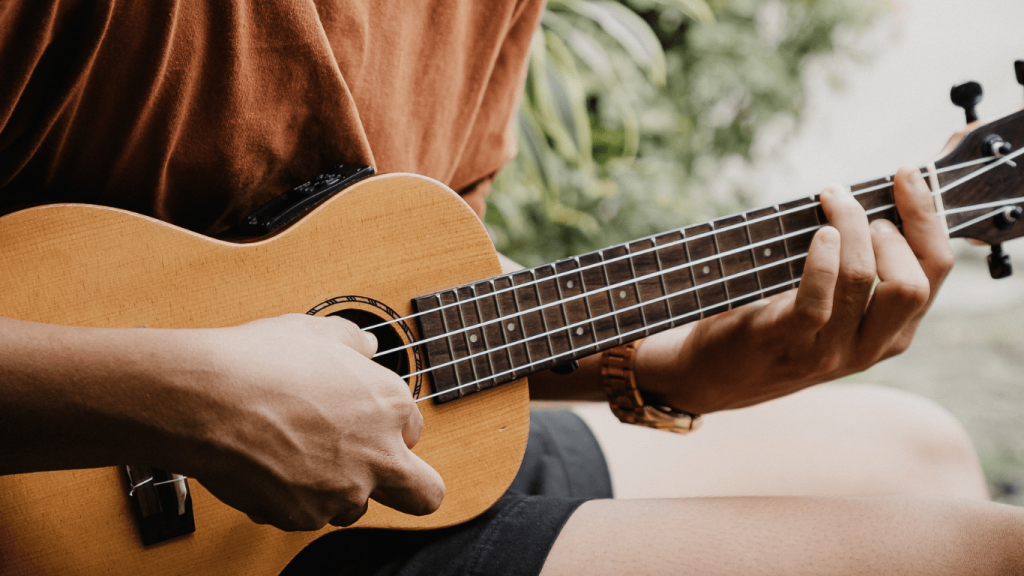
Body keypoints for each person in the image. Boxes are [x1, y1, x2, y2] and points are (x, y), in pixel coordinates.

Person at [1, 1, 1021, 575]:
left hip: (374, 468)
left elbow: (399, 288)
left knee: (915, 448)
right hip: (115, 526)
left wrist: (677, 367)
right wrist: (187, 399)